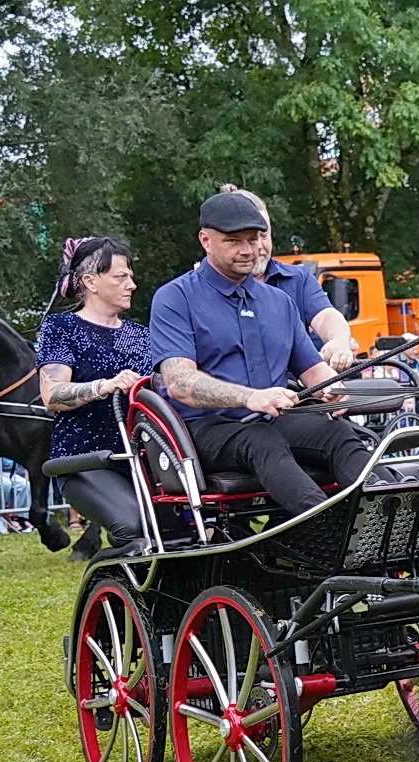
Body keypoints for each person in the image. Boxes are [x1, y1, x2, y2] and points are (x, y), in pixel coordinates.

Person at [149, 191, 368, 518]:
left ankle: (390, 520)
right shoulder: (174, 298)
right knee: (260, 440)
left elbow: (313, 372)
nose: (248, 250)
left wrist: (332, 389)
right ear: (205, 240)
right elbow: (180, 382)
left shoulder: (279, 303)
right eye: (234, 241)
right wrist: (249, 397)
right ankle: (329, 530)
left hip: (271, 424)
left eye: (254, 239)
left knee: (336, 434)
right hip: (204, 432)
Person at [36, 236, 157, 548]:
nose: (132, 284)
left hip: (142, 461)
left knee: (177, 527)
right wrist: (105, 385)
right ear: (90, 281)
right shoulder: (61, 327)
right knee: (135, 525)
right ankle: (108, 578)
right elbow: (52, 394)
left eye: (131, 276)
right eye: (121, 276)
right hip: (85, 462)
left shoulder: (140, 335)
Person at [218, 186, 356, 372]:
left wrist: (339, 340)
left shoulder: (297, 279)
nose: (257, 247)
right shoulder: (193, 292)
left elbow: (325, 316)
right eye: (243, 239)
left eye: (262, 235)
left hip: (297, 394)